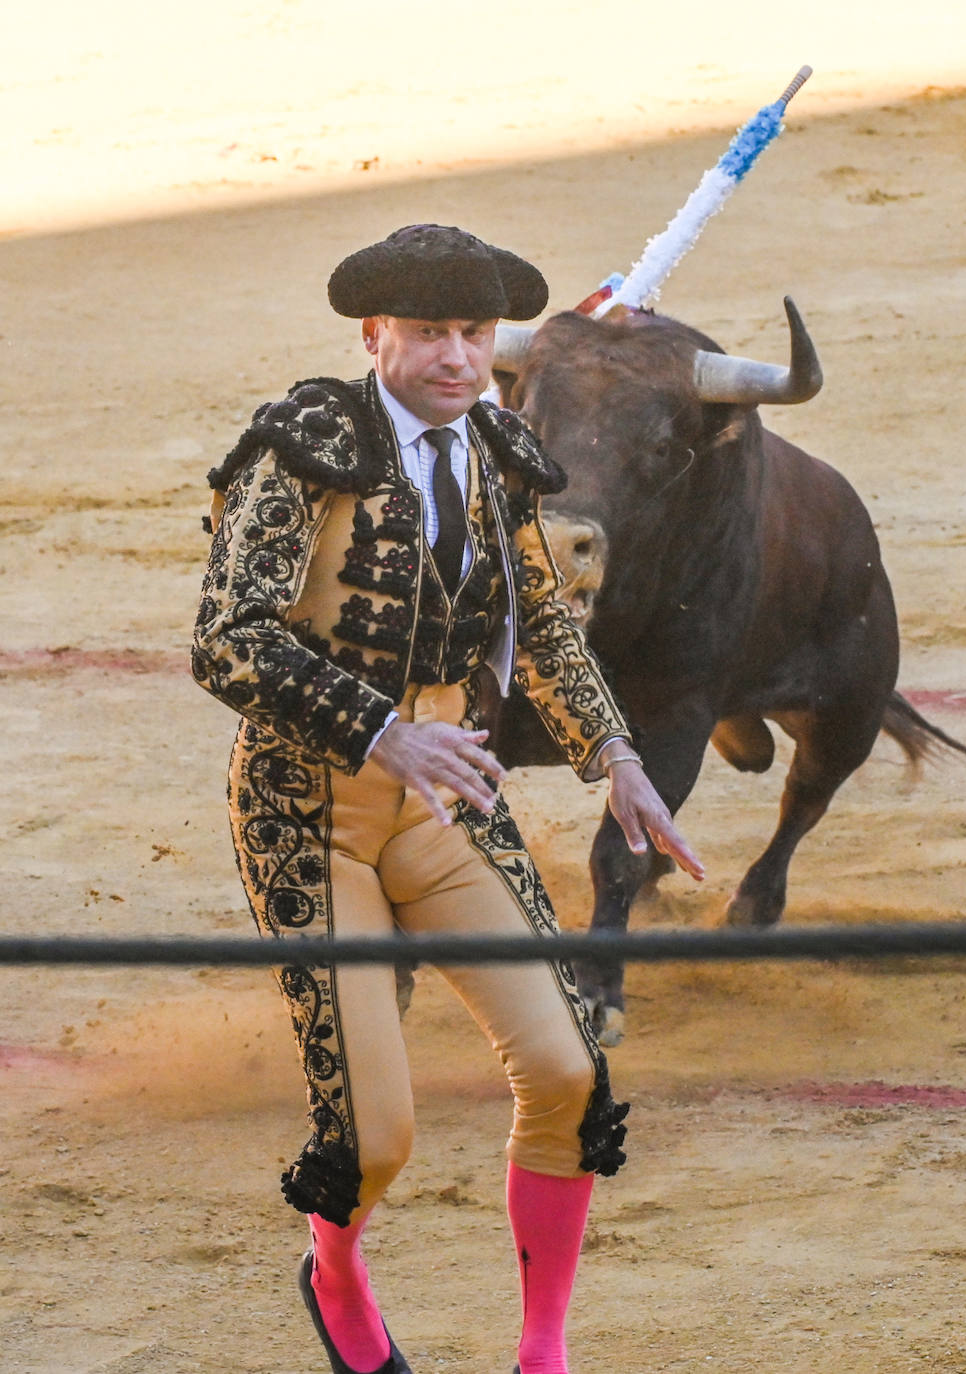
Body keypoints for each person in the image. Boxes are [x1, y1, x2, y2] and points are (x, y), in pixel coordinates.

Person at [191, 223, 703, 1374]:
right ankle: (333, 1271)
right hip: (306, 808)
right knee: (374, 1138)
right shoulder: (306, 445)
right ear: (376, 335)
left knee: (569, 1074)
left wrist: (615, 758)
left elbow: (550, 633)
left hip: (443, 798)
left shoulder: (500, 454)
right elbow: (227, 638)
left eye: (474, 337)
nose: (457, 360)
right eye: (429, 335)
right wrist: (385, 730)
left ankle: (541, 1351)